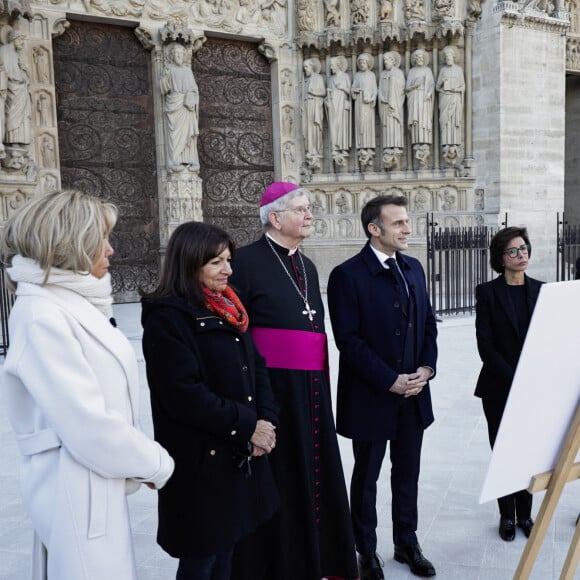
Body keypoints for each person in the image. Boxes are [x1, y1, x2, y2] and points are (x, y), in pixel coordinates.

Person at [0, 189, 175, 580]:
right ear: (71, 244)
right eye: (102, 240)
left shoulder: (69, 302)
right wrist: (156, 464)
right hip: (74, 485)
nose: (111, 250)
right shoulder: (43, 313)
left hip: (91, 479)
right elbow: (87, 424)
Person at [229, 181, 358, 580]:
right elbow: (239, 335)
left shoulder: (307, 264)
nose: (309, 215)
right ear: (275, 217)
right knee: (284, 477)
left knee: (316, 471)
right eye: (301, 209)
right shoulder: (245, 262)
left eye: (308, 209)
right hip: (274, 392)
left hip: (313, 391)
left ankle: (320, 562)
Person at [140, 221, 279, 580]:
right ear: (190, 263)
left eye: (229, 260)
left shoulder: (228, 308)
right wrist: (249, 426)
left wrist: (266, 419)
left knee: (227, 552)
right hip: (202, 461)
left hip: (236, 454)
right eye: (217, 262)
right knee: (202, 558)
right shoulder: (168, 318)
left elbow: (257, 367)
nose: (229, 270)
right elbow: (184, 395)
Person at [328, 194, 438, 580]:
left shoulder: (414, 268)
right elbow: (349, 340)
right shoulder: (347, 275)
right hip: (372, 396)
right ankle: (366, 552)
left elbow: (428, 324)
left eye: (407, 221)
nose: (408, 228)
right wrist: (389, 380)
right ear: (375, 229)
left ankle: (407, 543)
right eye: (399, 223)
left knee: (408, 474)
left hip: (414, 395)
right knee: (367, 477)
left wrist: (426, 368)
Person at [474, 227, 542, 542]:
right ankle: (506, 515)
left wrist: (533, 378)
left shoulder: (542, 290)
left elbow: (548, 341)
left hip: (532, 388)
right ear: (501, 258)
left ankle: (525, 514)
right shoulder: (487, 292)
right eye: (513, 250)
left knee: (528, 451)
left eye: (524, 248)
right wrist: (514, 377)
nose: (521, 254)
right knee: (503, 451)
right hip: (499, 386)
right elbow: (485, 345)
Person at [160, 42, 200, 172]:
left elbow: (194, 89)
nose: (178, 56)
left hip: (186, 106)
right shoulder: (169, 69)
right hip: (174, 104)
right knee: (174, 134)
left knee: (188, 134)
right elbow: (164, 89)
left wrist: (190, 96)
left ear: (184, 56)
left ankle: (190, 160)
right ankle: (173, 161)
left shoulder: (187, 70)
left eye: (180, 54)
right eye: (175, 54)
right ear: (172, 56)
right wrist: (165, 77)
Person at [436, 46, 465, 147]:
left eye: (450, 57)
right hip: (445, 98)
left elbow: (463, 86)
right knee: (446, 121)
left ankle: (455, 143)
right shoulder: (443, 70)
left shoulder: (458, 70)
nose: (448, 58)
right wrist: (442, 82)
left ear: (453, 57)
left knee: (453, 121)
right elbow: (437, 87)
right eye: (446, 57)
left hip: (455, 98)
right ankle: (446, 143)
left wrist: (456, 90)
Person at [325, 55, 352, 162]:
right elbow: (328, 93)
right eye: (331, 65)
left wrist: (343, 88)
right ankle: (335, 148)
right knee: (333, 127)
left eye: (332, 65)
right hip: (333, 105)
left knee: (342, 126)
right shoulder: (331, 79)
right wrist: (327, 100)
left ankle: (343, 148)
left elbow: (350, 91)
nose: (331, 67)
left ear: (338, 65)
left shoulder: (345, 76)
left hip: (341, 105)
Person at [406, 48, 435, 145]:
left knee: (424, 119)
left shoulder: (427, 70)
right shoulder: (411, 71)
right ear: (414, 59)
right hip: (414, 97)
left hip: (424, 97)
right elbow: (407, 88)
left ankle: (425, 140)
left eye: (421, 57)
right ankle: (416, 140)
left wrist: (429, 93)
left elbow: (431, 85)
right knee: (417, 120)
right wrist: (414, 86)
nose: (420, 59)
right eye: (417, 57)